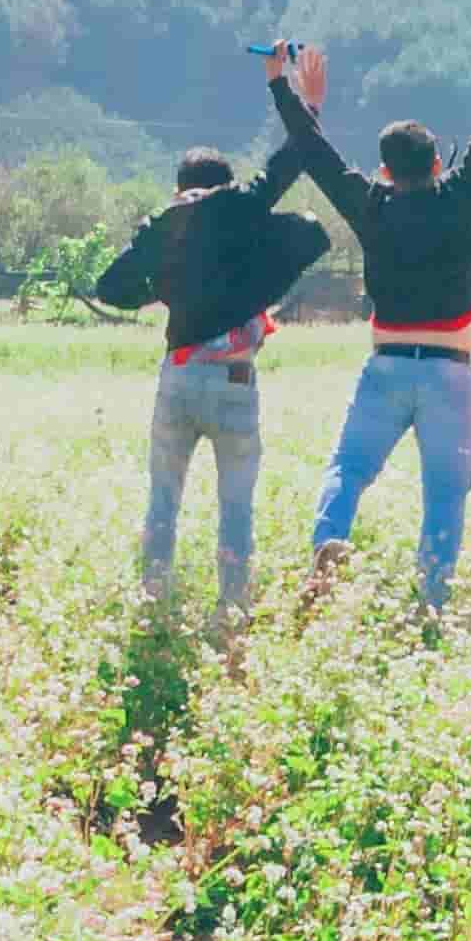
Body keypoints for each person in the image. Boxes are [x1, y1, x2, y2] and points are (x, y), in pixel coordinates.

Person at [268, 0, 471, 616]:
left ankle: (330, 541)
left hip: (387, 365)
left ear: (383, 170)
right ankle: (431, 603)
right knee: (446, 495)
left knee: (347, 468)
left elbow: (312, 152)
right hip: (450, 373)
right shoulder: (463, 191)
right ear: (435, 162)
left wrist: (283, 88)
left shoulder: (370, 204)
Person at [91, 98, 330, 640]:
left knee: (162, 500)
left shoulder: (164, 225)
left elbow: (111, 286)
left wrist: (163, 284)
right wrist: (307, 105)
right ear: (225, 184)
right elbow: (286, 167)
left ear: (181, 185)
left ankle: (152, 604)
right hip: (235, 381)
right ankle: (232, 615)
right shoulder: (241, 210)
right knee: (236, 506)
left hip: (177, 376)